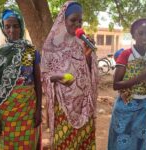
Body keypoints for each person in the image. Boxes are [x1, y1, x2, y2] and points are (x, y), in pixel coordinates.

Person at [41, 1, 98, 149]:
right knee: (65, 143)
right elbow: (44, 76)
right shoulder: (52, 46)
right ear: (63, 20)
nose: (77, 24)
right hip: (63, 108)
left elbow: (88, 73)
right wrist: (57, 78)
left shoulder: (83, 42)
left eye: (80, 21)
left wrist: (88, 56)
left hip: (84, 106)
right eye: (73, 20)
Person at [0, 8, 42, 149]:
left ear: (21, 26)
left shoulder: (31, 51)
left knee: (28, 144)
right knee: (8, 145)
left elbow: (38, 83)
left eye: (15, 26)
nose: (12, 30)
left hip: (28, 109)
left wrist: (39, 110)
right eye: (7, 26)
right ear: (3, 28)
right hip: (7, 112)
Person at [108, 18, 146, 150]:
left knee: (139, 143)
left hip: (144, 107)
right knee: (120, 142)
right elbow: (116, 85)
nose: (144, 37)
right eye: (140, 33)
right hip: (125, 106)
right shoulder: (126, 55)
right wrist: (143, 75)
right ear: (133, 35)